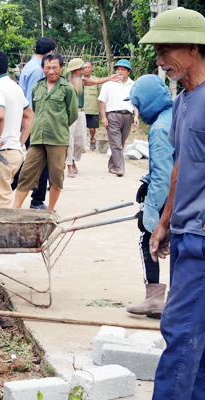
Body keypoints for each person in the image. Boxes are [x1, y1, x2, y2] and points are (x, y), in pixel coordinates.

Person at [140, 8, 205, 398]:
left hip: (201, 237)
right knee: (194, 337)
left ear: (195, 47)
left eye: (167, 51)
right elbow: (183, 164)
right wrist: (164, 221)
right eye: (158, 53)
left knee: (180, 332)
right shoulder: (183, 101)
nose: (161, 61)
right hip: (184, 233)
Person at [124, 75, 174, 319]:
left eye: (137, 104)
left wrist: (151, 212)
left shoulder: (159, 129)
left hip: (173, 195)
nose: (136, 109)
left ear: (147, 102)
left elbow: (164, 177)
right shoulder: (175, 114)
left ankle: (154, 298)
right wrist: (146, 180)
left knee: (148, 238)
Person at [12, 53, 78, 212]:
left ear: (61, 68)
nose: (51, 71)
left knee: (56, 176)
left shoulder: (68, 89)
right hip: (37, 139)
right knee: (27, 173)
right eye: (47, 67)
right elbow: (34, 111)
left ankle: (50, 210)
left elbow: (73, 114)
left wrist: (58, 126)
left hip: (57, 139)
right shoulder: (37, 87)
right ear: (43, 68)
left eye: (55, 67)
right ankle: (14, 209)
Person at [0, 50, 34, 207]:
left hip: (1, 154)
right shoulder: (15, 87)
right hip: (14, 153)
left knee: (0, 206)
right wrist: (20, 142)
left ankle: (5, 232)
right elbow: (30, 115)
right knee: (4, 198)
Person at [15, 37, 57, 210]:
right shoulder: (39, 71)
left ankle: (18, 184)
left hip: (30, 120)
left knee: (36, 160)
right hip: (36, 121)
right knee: (41, 161)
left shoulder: (29, 66)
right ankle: (37, 200)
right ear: (49, 52)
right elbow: (34, 99)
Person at [98, 59, 140, 177]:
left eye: (123, 69)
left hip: (127, 115)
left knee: (120, 142)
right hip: (112, 115)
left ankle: (112, 165)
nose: (120, 71)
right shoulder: (108, 84)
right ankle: (120, 168)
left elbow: (135, 102)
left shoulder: (133, 85)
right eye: (118, 69)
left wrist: (136, 116)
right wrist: (104, 117)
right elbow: (102, 101)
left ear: (129, 71)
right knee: (116, 143)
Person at [65, 58, 87, 178]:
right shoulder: (66, 83)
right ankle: (69, 166)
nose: (83, 71)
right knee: (69, 140)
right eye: (81, 69)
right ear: (74, 71)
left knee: (81, 142)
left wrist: (110, 78)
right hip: (69, 114)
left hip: (81, 113)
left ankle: (73, 159)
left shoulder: (82, 82)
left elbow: (97, 81)